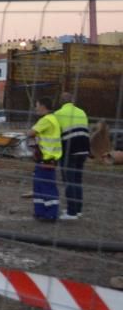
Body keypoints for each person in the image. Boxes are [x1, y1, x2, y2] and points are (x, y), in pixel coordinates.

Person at [54, 92, 90, 220]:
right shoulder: (82, 112)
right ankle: (78, 210)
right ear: (72, 101)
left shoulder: (58, 114)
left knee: (69, 181)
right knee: (77, 181)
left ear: (61, 102)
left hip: (70, 150)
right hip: (84, 149)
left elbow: (55, 133)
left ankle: (71, 213)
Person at [26, 97, 62, 221]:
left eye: (37, 105)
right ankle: (40, 212)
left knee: (46, 187)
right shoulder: (52, 119)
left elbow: (30, 133)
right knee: (39, 186)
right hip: (45, 160)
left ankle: (51, 214)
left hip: (47, 160)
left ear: (43, 106)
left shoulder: (46, 120)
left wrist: (30, 130)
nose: (35, 108)